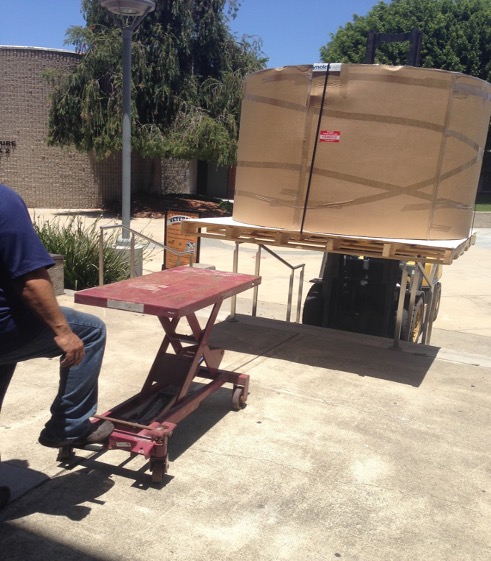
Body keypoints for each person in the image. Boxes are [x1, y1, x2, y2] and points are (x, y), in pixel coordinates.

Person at [0, 183, 113, 448]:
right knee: (91, 330)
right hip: (5, 327)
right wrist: (63, 332)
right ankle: (70, 426)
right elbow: (29, 279)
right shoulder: (4, 201)